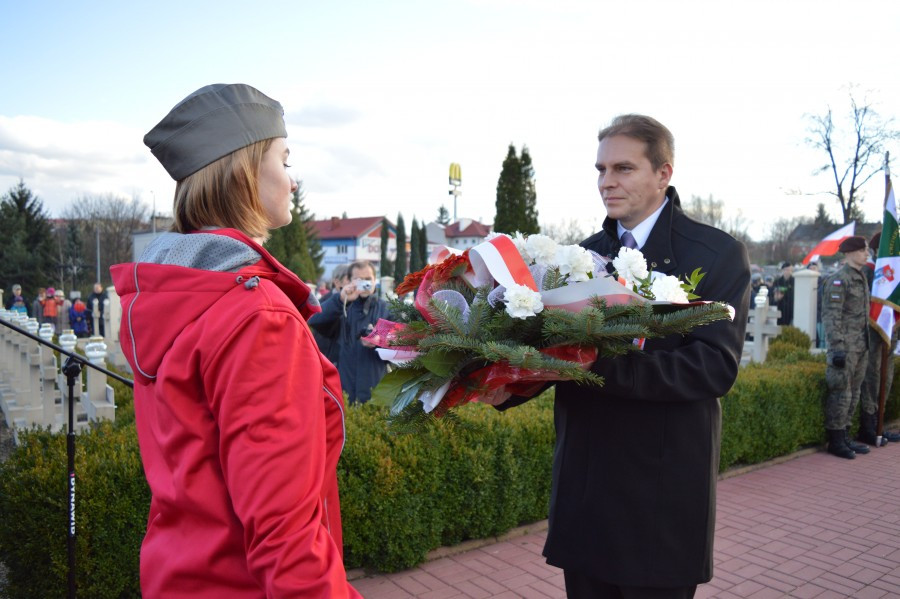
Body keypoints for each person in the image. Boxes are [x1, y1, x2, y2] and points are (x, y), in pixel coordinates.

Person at [110, 83, 360, 597]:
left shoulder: (172, 294)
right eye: (284, 160)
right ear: (245, 172)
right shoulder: (257, 316)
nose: (293, 179)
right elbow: (284, 540)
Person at [496, 114, 750, 598]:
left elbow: (712, 367)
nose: (606, 182)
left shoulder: (715, 254)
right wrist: (502, 387)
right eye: (600, 169)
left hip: (660, 495)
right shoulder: (577, 258)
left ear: (663, 174)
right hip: (587, 487)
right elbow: (551, 352)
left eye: (623, 169)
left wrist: (600, 367)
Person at [309, 259, 391, 404]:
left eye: (368, 279)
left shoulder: (385, 308)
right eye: (359, 279)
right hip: (344, 390)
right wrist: (341, 299)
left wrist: (379, 340)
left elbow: (401, 341)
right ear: (349, 281)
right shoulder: (342, 305)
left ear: (375, 280)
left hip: (375, 391)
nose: (365, 284)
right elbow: (315, 320)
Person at [822, 236, 871, 459]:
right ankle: (836, 439)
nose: (866, 254)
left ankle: (846, 435)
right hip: (845, 347)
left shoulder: (860, 277)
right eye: (862, 250)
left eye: (867, 250)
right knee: (841, 393)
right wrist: (838, 348)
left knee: (854, 392)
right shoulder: (839, 280)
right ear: (849, 253)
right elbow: (832, 316)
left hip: (861, 345)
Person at [858, 232, 900, 445]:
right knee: (873, 377)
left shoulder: (894, 271)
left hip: (889, 332)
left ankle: (880, 426)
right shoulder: (868, 271)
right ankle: (869, 426)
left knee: (887, 376)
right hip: (872, 335)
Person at [311, 264, 349, 367]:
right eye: (349, 278)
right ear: (337, 282)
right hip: (327, 358)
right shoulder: (323, 302)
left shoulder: (357, 302)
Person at [773, 261, 795, 325]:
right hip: (780, 309)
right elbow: (773, 295)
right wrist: (776, 298)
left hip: (791, 310)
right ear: (782, 270)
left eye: (789, 270)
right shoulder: (777, 282)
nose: (787, 272)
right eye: (785, 270)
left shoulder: (794, 281)